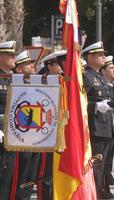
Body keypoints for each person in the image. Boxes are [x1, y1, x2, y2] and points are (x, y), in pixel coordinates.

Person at [82, 41, 114, 199]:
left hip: (106, 127)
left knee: (102, 169)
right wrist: (95, 106)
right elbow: (78, 102)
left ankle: (98, 194)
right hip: (95, 128)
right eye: (100, 55)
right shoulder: (85, 76)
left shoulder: (99, 77)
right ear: (90, 57)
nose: (103, 57)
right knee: (95, 168)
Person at [36, 50, 67, 200]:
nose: (62, 66)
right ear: (50, 66)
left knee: (59, 171)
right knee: (46, 172)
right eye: (59, 63)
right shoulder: (43, 81)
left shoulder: (64, 80)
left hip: (62, 131)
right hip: (47, 131)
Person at [11, 50, 40, 200]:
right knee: (20, 174)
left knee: (31, 175)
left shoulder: (36, 85)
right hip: (19, 136)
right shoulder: (15, 84)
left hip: (35, 136)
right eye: (28, 64)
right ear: (19, 69)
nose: (32, 65)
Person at [100, 55, 114, 187]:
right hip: (101, 126)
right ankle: (102, 188)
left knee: (108, 159)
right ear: (104, 70)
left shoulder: (111, 87)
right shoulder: (103, 86)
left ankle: (105, 186)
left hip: (110, 127)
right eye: (111, 67)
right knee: (101, 162)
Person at [0, 40, 17, 199]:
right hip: (1, 133)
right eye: (10, 55)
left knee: (8, 175)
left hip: (13, 134)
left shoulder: (13, 78)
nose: (14, 58)